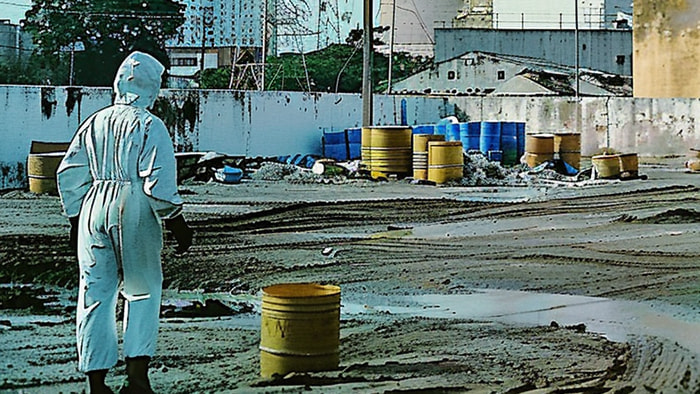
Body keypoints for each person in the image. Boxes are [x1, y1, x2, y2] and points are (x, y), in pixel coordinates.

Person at [57, 51, 193, 394]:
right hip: (133, 205)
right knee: (142, 288)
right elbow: (157, 182)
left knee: (94, 293)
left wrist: (76, 217)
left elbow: (69, 172)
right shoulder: (149, 125)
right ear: (150, 88)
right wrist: (177, 221)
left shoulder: (94, 122)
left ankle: (96, 382)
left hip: (92, 204)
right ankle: (137, 378)